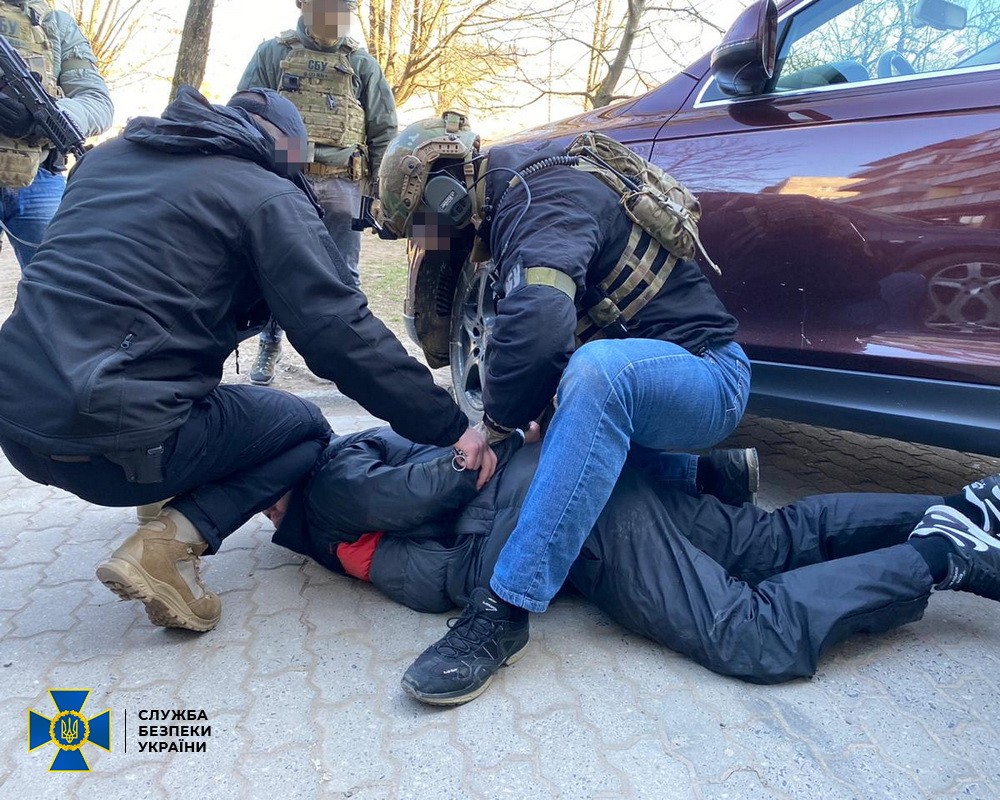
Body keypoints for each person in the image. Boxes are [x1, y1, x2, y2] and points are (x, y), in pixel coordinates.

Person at [0, 86, 492, 634]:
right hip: (112, 444)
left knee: (168, 380)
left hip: (17, 427)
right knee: (304, 429)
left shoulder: (107, 159)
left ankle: (155, 500)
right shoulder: (264, 194)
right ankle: (168, 545)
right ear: (287, 151)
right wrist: (449, 426)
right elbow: (341, 335)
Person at [376, 112, 753, 702]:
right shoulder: (521, 194)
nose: (431, 246)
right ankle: (705, 476)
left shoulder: (539, 200)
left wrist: (493, 426)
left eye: (424, 229)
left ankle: (505, 609)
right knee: (557, 430)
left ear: (447, 197)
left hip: (711, 379)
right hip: (667, 381)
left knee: (597, 375)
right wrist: (524, 416)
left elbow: (538, 324)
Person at [273, 425, 1000, 700]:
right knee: (770, 543)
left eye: (253, 502)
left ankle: (946, 554)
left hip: (568, 515)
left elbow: (447, 551)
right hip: (586, 474)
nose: (263, 519)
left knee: (746, 632)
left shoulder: (331, 486)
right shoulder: (345, 482)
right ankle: (969, 504)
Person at [238, 0, 397, 386]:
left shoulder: (361, 63)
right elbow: (244, 114)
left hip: (344, 183)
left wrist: (379, 191)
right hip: (286, 180)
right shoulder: (273, 54)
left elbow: (383, 131)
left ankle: (349, 354)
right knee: (275, 268)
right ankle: (269, 344)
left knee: (343, 275)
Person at [0, 0, 112, 267]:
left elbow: (97, 102)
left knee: (61, 277)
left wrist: (39, 119)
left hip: (40, 172)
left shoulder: (55, 23)